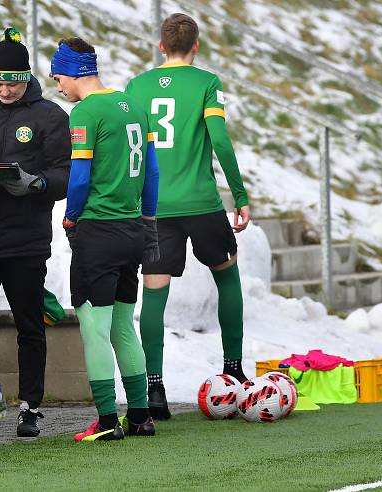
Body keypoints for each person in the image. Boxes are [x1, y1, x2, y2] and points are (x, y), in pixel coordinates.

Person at [125, 13, 250, 420]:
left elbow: (131, 150)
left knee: (154, 294)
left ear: (161, 46)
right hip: (202, 204)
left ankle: (154, 388)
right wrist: (241, 194)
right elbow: (221, 143)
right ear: (196, 46)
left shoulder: (137, 87)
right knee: (227, 275)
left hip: (155, 208)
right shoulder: (206, 84)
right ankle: (233, 371)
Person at [0, 28, 70, 438]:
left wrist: (37, 183)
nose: (3, 90)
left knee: (29, 325)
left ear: (27, 78)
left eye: (11, 82)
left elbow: (65, 174)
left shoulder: (51, 117)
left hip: (26, 240)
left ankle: (30, 406)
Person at [51, 37, 160, 441]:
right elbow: (152, 173)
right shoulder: (134, 105)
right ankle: (140, 417)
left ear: (72, 71)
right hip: (133, 230)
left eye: (58, 76)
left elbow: (79, 179)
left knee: (93, 328)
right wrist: (147, 218)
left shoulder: (85, 112)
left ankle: (108, 421)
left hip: (97, 230)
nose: (58, 86)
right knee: (122, 327)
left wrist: (71, 219)